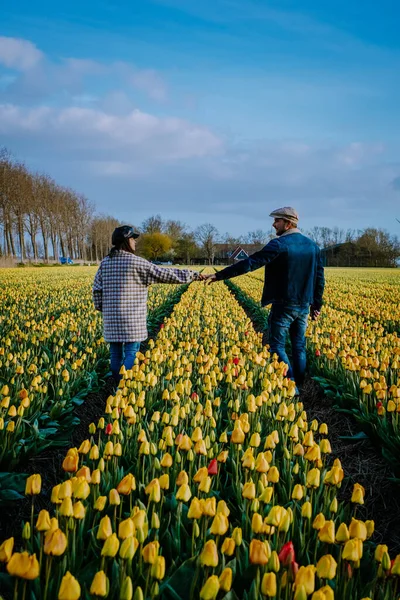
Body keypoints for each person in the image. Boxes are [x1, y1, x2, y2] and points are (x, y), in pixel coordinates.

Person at [203, 207, 325, 389]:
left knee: (277, 346)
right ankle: (299, 384)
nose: (273, 224)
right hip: (303, 305)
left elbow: (250, 263)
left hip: (284, 303)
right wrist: (316, 304)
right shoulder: (313, 246)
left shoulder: (279, 244)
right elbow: (319, 277)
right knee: (299, 345)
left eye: (277, 220)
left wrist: (219, 275)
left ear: (288, 223)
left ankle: (291, 385)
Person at [92, 225, 202, 383]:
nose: (135, 242)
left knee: (115, 354)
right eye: (133, 239)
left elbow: (97, 289)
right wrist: (192, 275)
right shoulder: (136, 262)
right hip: (132, 319)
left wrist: (101, 307)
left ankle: (117, 384)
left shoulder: (105, 263)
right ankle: (125, 386)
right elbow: (165, 274)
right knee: (131, 352)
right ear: (126, 241)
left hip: (111, 319)